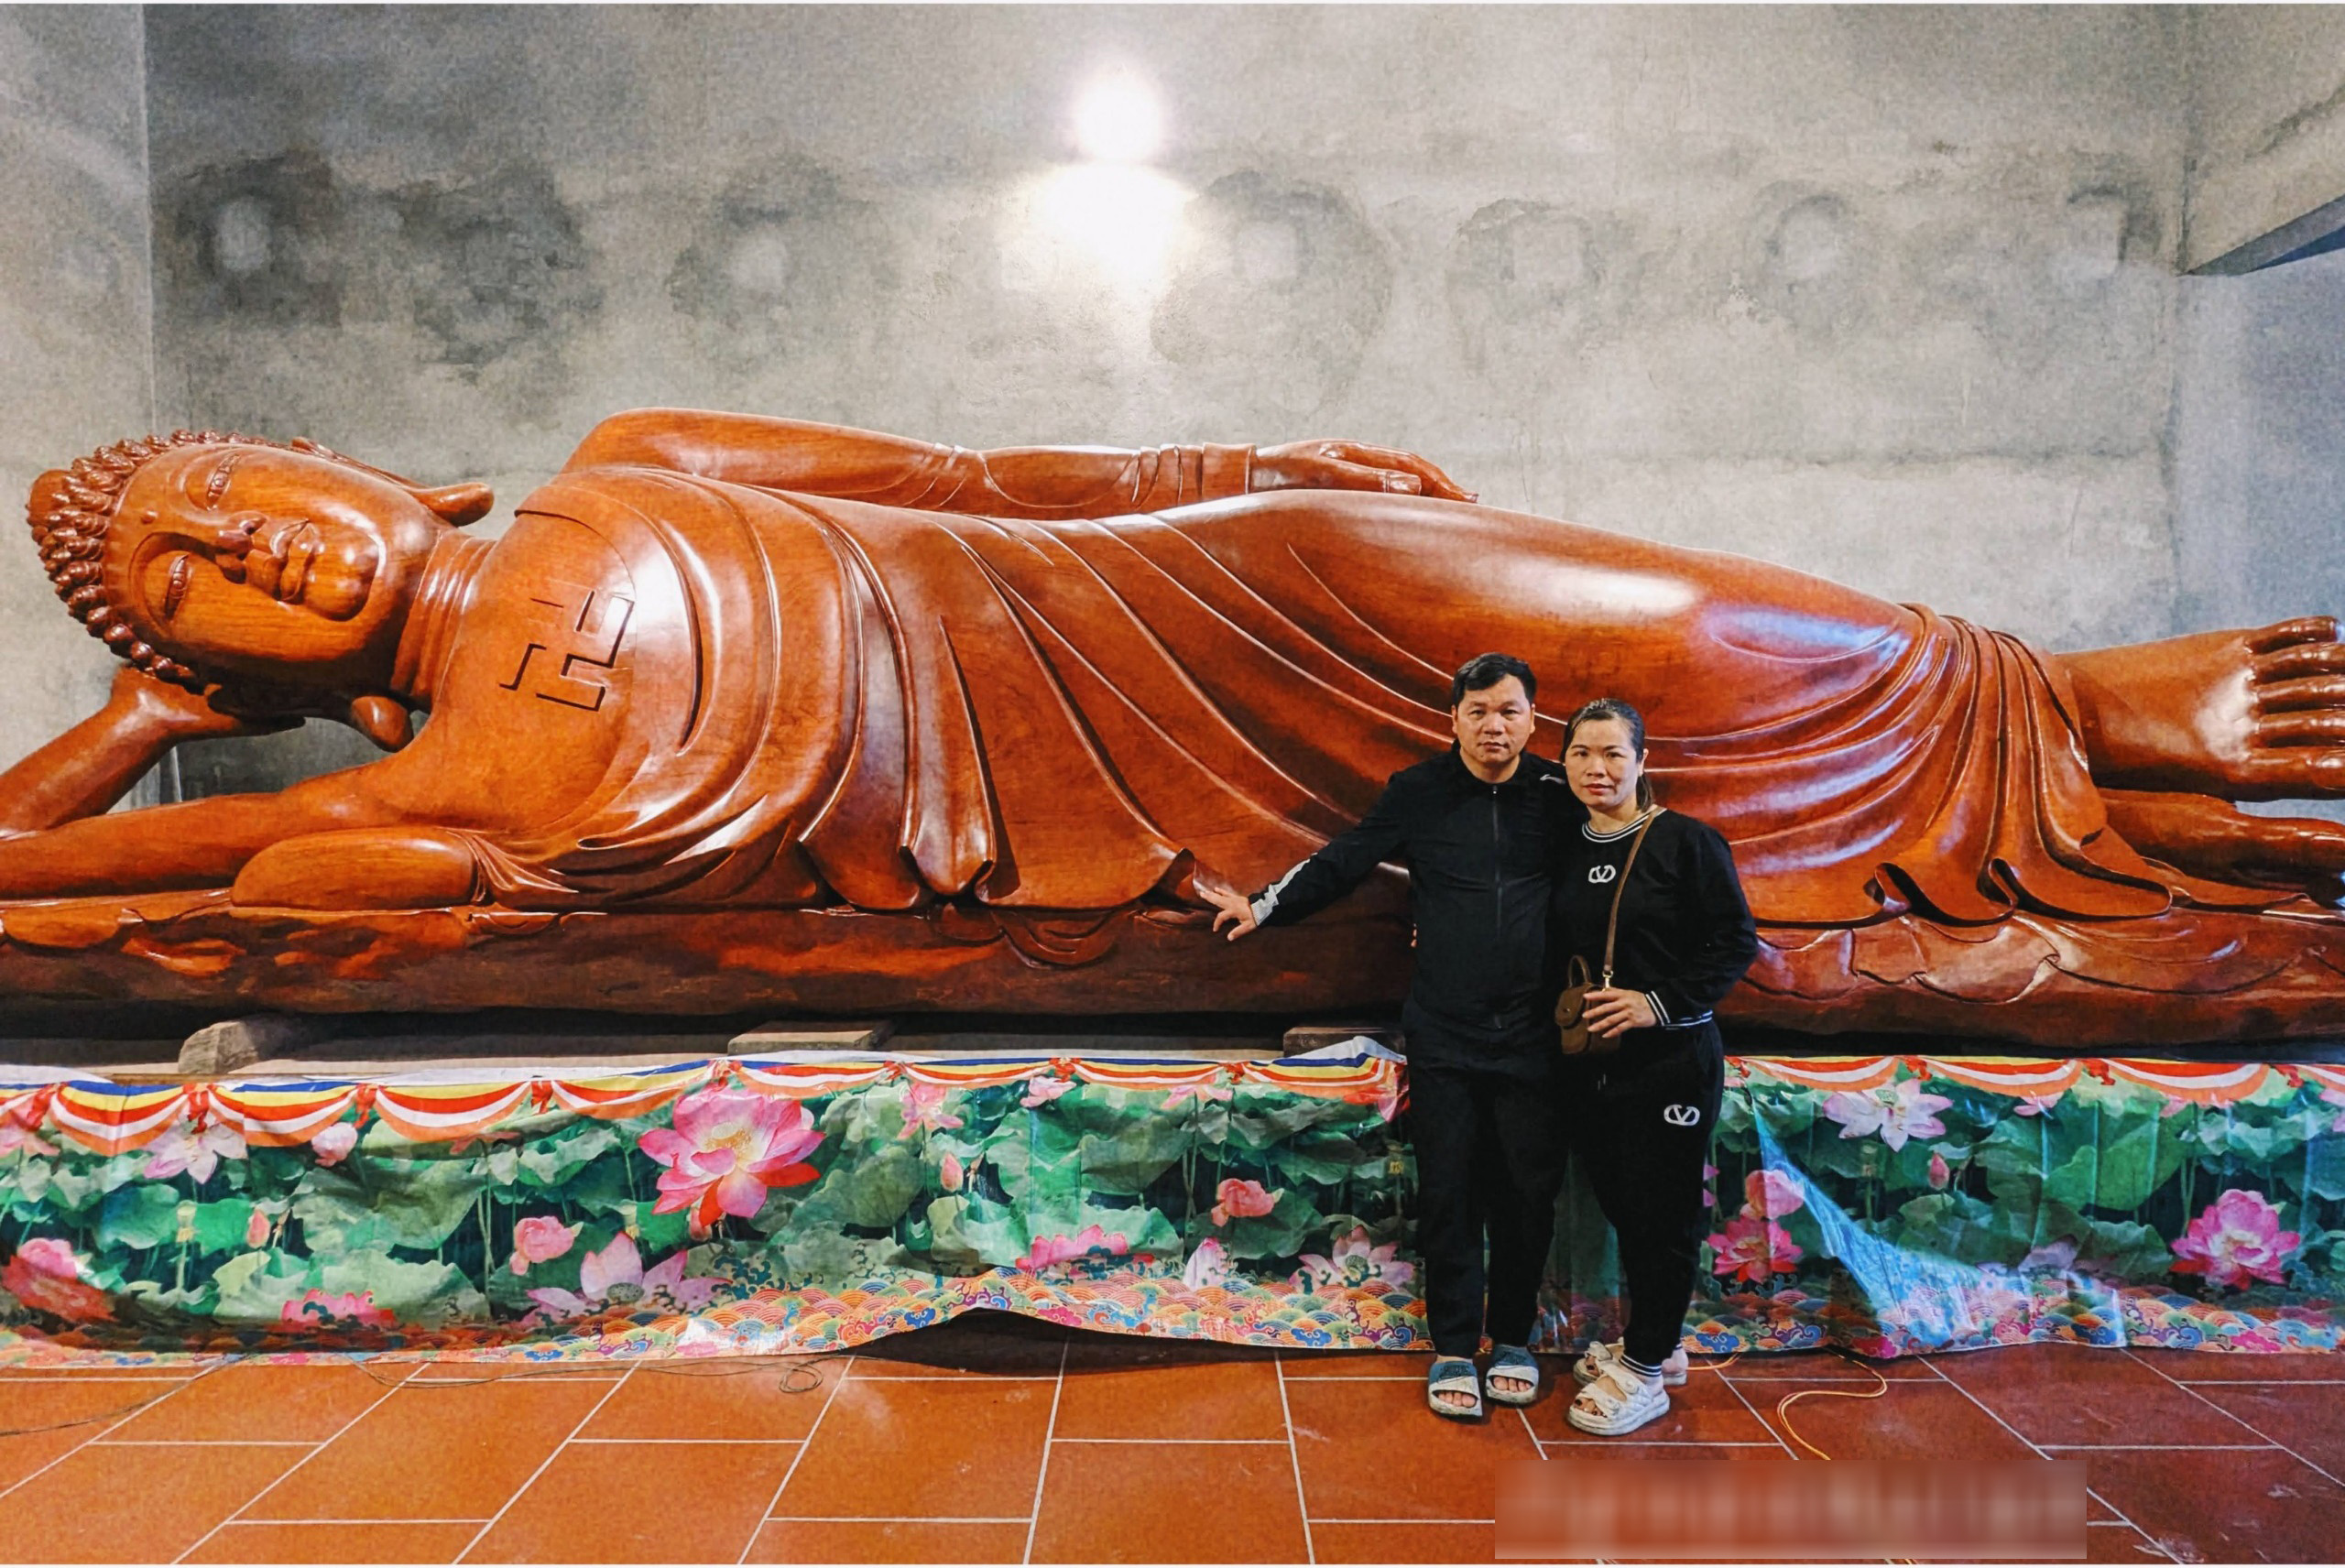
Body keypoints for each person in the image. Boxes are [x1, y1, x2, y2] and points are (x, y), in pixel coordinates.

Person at [9, 408, 2345, 1041]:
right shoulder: (408, 797)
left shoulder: (628, 447)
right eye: (199, 585)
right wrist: (125, 743)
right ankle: (2097, 808)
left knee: (1494, 596)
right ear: (224, 668)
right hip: (1012, 813)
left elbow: (961, 483)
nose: (256, 548)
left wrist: (1216, 468)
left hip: (1140, 598)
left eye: (234, 491)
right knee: (1488, 798)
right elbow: (68, 884)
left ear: (340, 460)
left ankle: (2032, 706)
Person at [1201, 652, 1572, 1420]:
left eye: (1509, 711)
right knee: (1449, 1191)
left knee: (1527, 1194)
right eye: (1478, 712)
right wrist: (1264, 906)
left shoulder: (1563, 798)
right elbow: (1344, 860)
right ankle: (1451, 1347)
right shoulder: (1420, 791)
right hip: (1445, 1030)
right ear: (1455, 720)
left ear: (1535, 719)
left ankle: (1512, 1339)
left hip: (1537, 1033)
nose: (1494, 726)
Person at [1547, 696, 1758, 1437]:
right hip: (1591, 1064)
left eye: (1613, 754)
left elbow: (1734, 943)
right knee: (1621, 1204)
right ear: (1564, 761)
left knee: (1662, 1217)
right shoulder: (1565, 845)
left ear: (1643, 761)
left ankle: (1645, 1372)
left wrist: (1655, 1004)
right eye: (1581, 754)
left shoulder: (1688, 844)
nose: (1597, 769)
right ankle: (1658, 1345)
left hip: (1669, 1061)